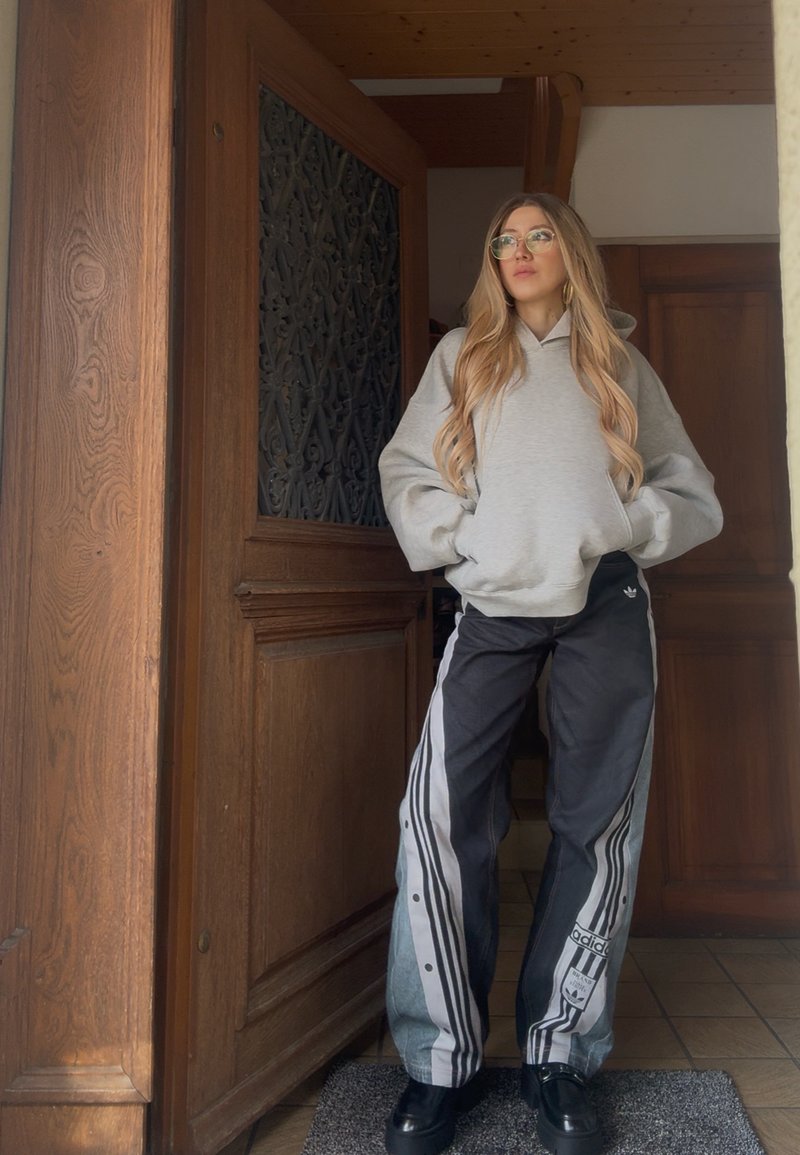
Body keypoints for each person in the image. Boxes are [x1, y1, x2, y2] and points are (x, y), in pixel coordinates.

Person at [377, 192, 723, 1155]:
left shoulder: (616, 362)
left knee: (596, 824)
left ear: (569, 253)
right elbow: (407, 473)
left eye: (537, 236)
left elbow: (690, 490)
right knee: (440, 815)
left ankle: (559, 1055)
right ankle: (439, 1063)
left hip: (605, 608)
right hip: (491, 610)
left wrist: (623, 527)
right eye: (504, 239)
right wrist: (465, 544)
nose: (518, 251)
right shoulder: (463, 359)